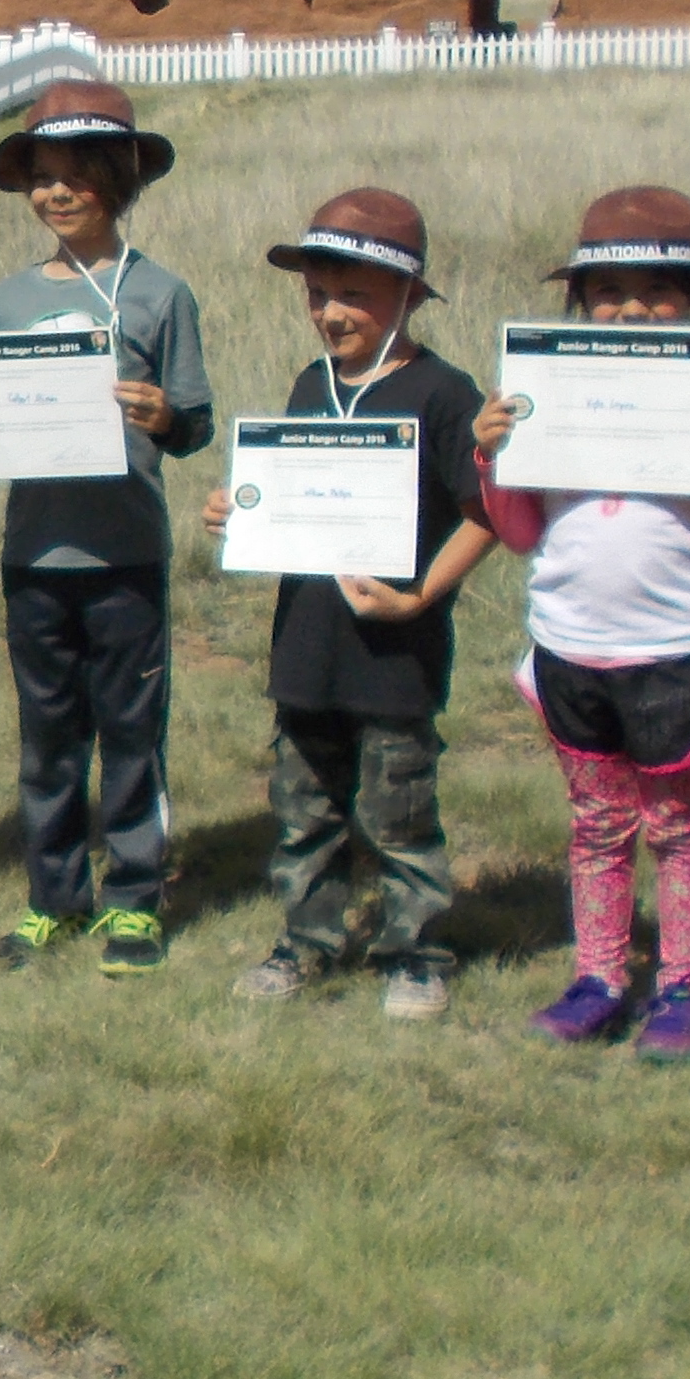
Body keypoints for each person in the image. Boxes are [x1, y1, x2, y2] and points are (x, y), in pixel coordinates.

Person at [469, 187, 690, 1062]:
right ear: (578, 303)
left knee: (678, 828)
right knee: (596, 825)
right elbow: (521, 531)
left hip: (672, 646)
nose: (634, 308)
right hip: (570, 641)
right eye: (608, 290)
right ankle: (599, 978)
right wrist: (493, 457)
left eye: (659, 288)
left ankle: (683, 990)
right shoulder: (542, 389)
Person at [203, 186, 496, 1019]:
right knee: (304, 812)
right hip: (306, 646)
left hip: (394, 654)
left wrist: (422, 598)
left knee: (398, 814)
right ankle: (306, 940)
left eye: (355, 295)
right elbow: (290, 502)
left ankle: (416, 950)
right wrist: (241, 510)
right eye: (317, 294)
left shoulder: (444, 394)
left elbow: (488, 512)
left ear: (409, 294)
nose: (332, 313)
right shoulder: (310, 386)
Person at [0, 78, 210, 978]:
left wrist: (162, 418)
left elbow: (195, 422)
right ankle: (54, 895)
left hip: (126, 551)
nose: (59, 192)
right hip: (34, 551)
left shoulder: (160, 294)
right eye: (43, 176)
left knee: (133, 731)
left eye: (79, 174)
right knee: (48, 735)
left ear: (120, 178)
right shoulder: (8, 299)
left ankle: (136, 899)